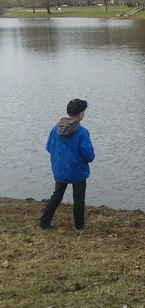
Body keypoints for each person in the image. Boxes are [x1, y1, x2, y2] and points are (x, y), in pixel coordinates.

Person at [38, 99, 95, 231]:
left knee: (57, 195)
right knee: (79, 198)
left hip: (60, 168)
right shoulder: (82, 132)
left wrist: (60, 158)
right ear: (80, 114)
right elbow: (88, 155)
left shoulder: (55, 129)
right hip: (77, 170)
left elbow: (49, 147)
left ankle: (44, 223)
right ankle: (79, 226)